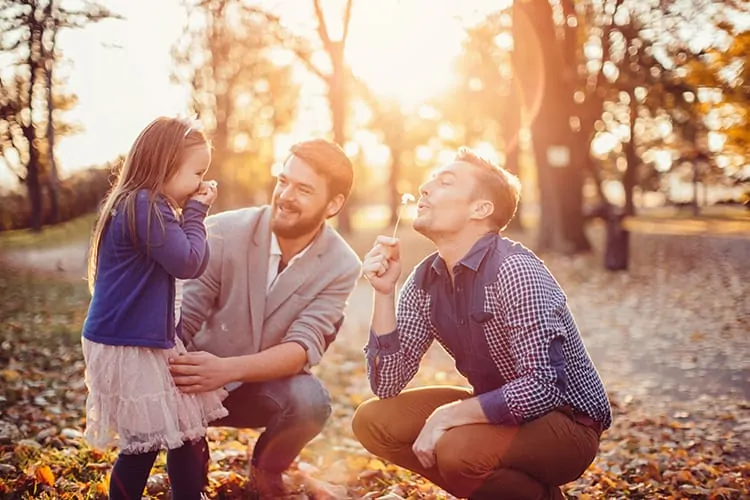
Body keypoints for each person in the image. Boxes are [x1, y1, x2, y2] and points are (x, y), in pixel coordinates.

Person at [352, 147, 612, 499]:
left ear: (481, 209)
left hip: (566, 423)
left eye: (445, 182)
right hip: (499, 412)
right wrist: (383, 293)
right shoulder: (424, 281)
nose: (426, 187)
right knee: (374, 422)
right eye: (431, 179)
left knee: (458, 449)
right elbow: (387, 383)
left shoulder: (515, 270)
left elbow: (543, 387)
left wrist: (446, 416)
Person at [169, 138, 362, 497]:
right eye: (283, 180)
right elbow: (183, 320)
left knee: (310, 401)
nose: (285, 195)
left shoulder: (343, 265)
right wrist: (188, 374)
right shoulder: (223, 231)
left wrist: (228, 370)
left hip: (262, 386)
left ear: (334, 204)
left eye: (303, 189)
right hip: (193, 380)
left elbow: (303, 346)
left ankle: (267, 469)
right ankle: (190, 455)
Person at [80, 116, 228, 500]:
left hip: (147, 338)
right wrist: (197, 213)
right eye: (197, 172)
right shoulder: (144, 206)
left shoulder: (145, 204)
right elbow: (188, 262)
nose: (201, 183)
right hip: (128, 344)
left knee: (185, 430)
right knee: (143, 444)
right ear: (165, 167)